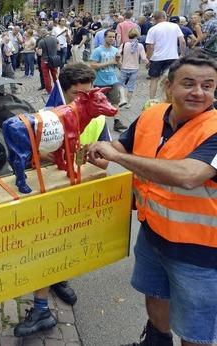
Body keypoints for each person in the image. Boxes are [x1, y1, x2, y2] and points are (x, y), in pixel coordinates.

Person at [88, 51, 217, 346]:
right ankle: (156, 341)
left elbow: (188, 175)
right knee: (155, 294)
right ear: (168, 87)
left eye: (208, 86)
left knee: (194, 330)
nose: (199, 92)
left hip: (200, 252)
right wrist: (100, 150)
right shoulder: (151, 114)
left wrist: (120, 158)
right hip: (152, 234)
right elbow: (123, 145)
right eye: (188, 83)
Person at [14, 63, 111, 338]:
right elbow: (33, 153)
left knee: (68, 241)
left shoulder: (97, 116)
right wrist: (57, 153)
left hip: (79, 190)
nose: (86, 99)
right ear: (63, 91)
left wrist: (98, 155)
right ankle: (41, 308)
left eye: (89, 92)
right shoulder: (48, 116)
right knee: (46, 245)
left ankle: (59, 276)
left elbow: (107, 152)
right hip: (51, 190)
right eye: (79, 95)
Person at [89, 29, 127, 132]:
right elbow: (92, 65)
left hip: (113, 81)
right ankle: (98, 124)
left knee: (115, 102)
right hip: (99, 82)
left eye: (113, 37)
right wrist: (110, 62)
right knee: (98, 104)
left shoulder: (115, 50)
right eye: (110, 37)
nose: (112, 39)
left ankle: (117, 122)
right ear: (104, 37)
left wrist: (118, 61)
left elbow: (120, 66)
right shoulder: (98, 50)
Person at [145, 11, 185, 99]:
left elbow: (150, 46)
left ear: (154, 19)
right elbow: (182, 41)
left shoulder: (152, 29)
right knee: (170, 79)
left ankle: (152, 100)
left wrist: (148, 59)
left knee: (154, 79)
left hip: (157, 58)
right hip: (172, 56)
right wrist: (182, 54)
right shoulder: (174, 26)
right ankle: (168, 98)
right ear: (165, 17)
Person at [118, 27, 148, 109]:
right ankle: (128, 104)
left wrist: (119, 62)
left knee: (120, 84)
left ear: (129, 35)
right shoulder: (140, 46)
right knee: (130, 87)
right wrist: (148, 63)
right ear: (137, 35)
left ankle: (123, 99)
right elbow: (144, 58)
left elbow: (118, 54)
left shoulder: (124, 45)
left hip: (124, 67)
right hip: (134, 68)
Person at [36, 28, 60, 93]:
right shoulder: (55, 39)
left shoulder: (41, 41)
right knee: (55, 74)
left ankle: (49, 90)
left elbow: (40, 53)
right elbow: (58, 48)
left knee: (46, 76)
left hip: (45, 60)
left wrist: (37, 50)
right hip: (54, 59)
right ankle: (58, 88)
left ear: (43, 34)